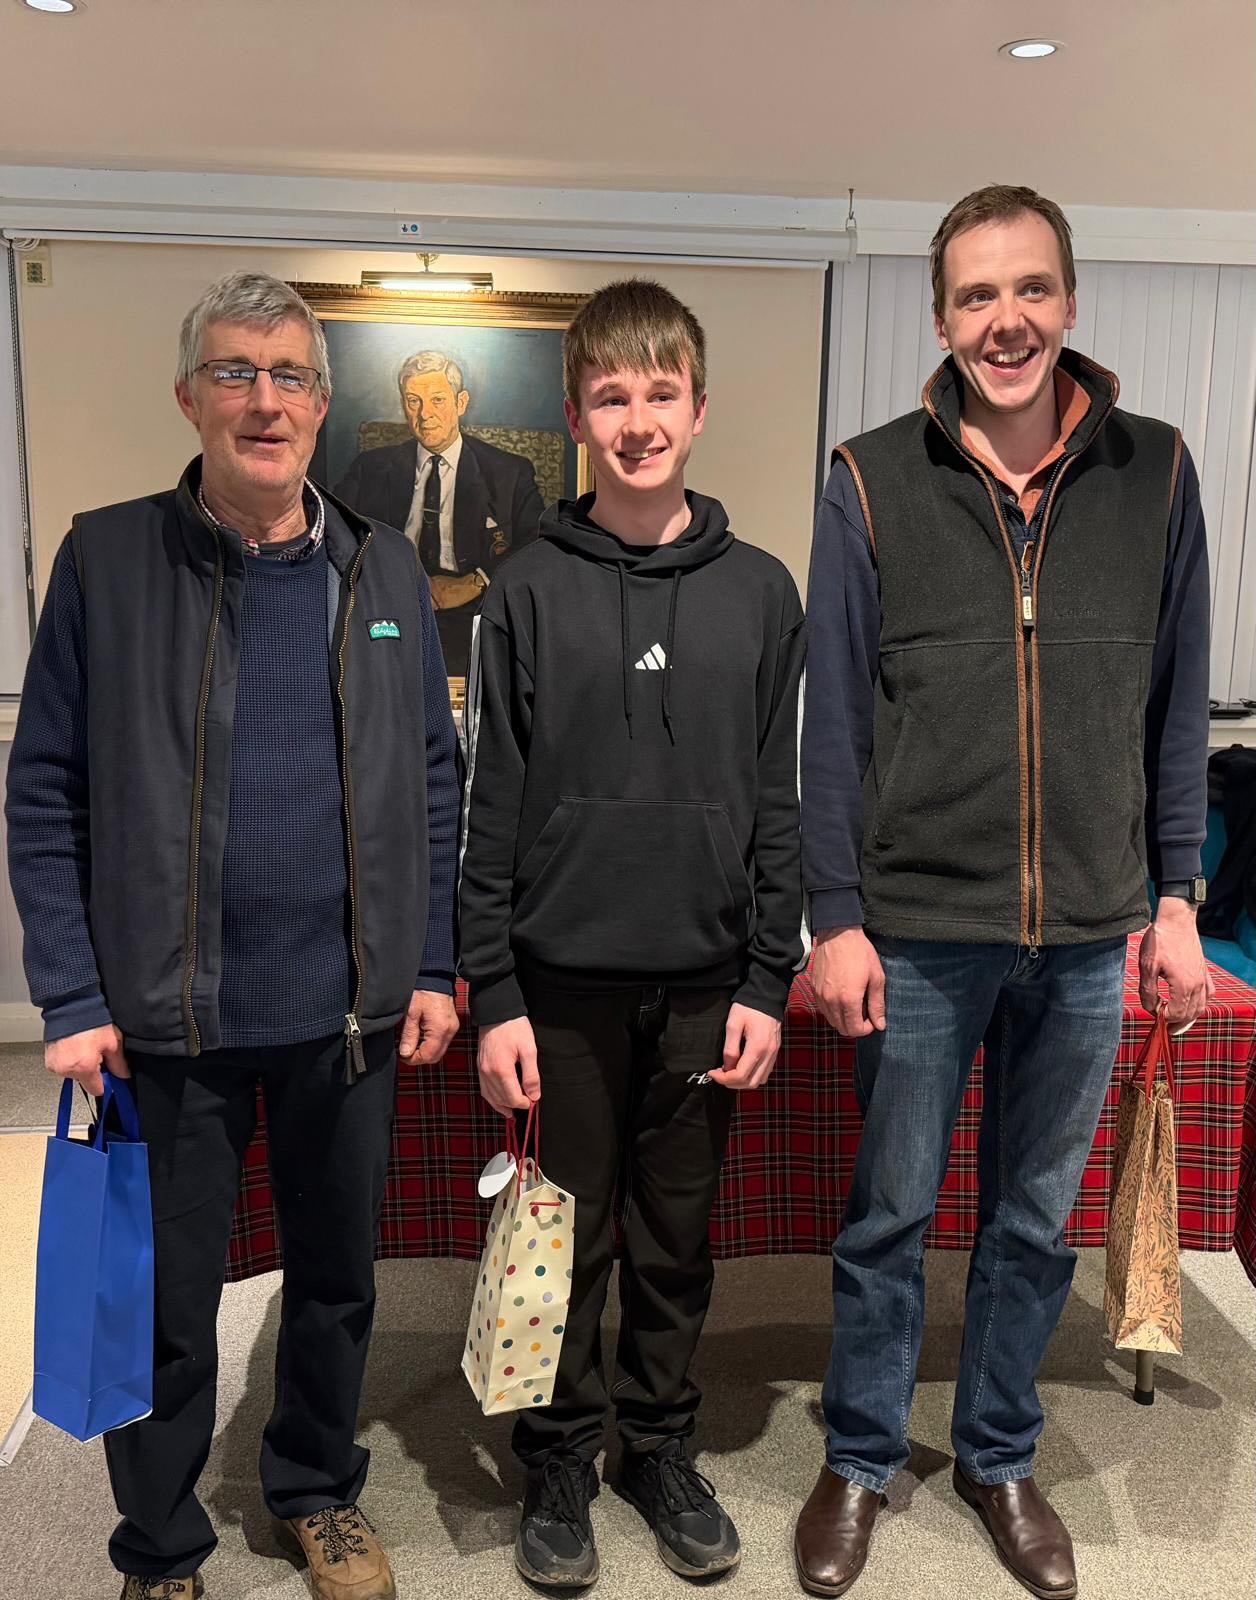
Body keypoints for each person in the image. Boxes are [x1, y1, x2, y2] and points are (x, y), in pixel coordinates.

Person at [5, 269, 461, 1600]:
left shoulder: (379, 567)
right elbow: (45, 788)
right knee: (166, 1306)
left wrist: (430, 961)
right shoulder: (106, 558)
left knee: (335, 1285)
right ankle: (161, 1547)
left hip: (346, 1014)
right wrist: (71, 991)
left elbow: (434, 782)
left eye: (289, 376)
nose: (263, 399)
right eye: (234, 371)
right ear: (189, 395)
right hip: (168, 1019)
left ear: (323, 404)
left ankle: (317, 1490)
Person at [793, 185, 1211, 1600]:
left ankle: (997, 1453)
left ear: (1072, 303)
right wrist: (832, 913)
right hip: (917, 926)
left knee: (1035, 1219)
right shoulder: (866, 477)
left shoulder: (1156, 471)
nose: (1006, 319)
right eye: (977, 296)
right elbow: (835, 715)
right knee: (889, 1219)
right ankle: (857, 1459)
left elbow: (1174, 708)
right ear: (941, 319)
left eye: (1029, 289)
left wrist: (1177, 895)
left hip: (1095, 930)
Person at [458, 279, 805, 1589]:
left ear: (700, 410)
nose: (639, 419)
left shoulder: (763, 595)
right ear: (577, 416)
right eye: (614, 395)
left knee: (675, 1241)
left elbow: (777, 801)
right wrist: (492, 990)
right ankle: (559, 1458)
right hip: (561, 988)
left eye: (663, 394)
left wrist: (769, 977)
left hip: (711, 985)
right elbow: (491, 799)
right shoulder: (526, 590)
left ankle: (657, 1445)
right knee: (562, 1239)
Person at [334, 349, 544, 674]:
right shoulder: (370, 469)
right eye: (413, 400)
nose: (425, 415)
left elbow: (536, 543)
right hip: (387, 604)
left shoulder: (508, 473)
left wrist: (476, 582)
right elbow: (336, 534)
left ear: (461, 403)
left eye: (437, 401)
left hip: (474, 607)